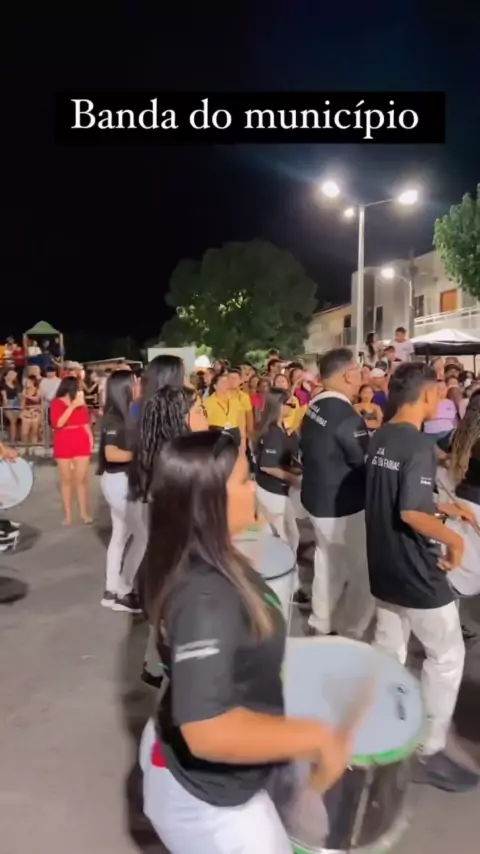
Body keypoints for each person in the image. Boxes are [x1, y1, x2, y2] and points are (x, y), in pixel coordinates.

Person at [139, 430, 358, 854]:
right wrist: (316, 737)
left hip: (207, 768)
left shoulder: (198, 555)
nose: (254, 486)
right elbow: (207, 732)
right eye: (243, 480)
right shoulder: (206, 599)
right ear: (208, 502)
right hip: (212, 805)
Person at [365, 362, 479, 792]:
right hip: (416, 570)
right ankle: (428, 748)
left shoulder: (382, 436)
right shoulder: (417, 444)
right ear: (427, 395)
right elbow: (411, 511)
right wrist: (455, 541)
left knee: (389, 648)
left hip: (383, 564)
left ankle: (380, 723)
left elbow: (403, 495)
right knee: (446, 656)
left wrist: (445, 507)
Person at [300, 348, 373, 638]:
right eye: (358, 372)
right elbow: (364, 463)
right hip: (343, 507)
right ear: (348, 375)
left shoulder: (315, 405)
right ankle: (350, 632)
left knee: (328, 563)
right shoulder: (346, 417)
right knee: (365, 573)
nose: (362, 379)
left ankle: (321, 622)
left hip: (316, 500)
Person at [98, 370, 146, 613]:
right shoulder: (114, 418)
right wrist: (142, 454)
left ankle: (111, 590)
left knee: (121, 535)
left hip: (120, 481)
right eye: (135, 383)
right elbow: (111, 454)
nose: (138, 386)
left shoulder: (125, 413)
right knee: (143, 535)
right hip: (119, 482)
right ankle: (124, 591)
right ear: (125, 388)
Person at [255, 388, 301, 553]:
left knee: (280, 535)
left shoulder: (279, 429)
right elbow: (267, 465)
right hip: (272, 492)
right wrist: (293, 479)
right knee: (287, 538)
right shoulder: (274, 432)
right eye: (290, 404)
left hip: (274, 490)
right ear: (279, 406)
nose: (293, 408)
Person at [50, 377, 93, 525]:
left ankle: (84, 513)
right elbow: (58, 423)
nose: (81, 390)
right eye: (78, 387)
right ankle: (68, 516)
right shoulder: (56, 403)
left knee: (81, 479)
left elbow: (86, 424)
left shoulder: (82, 404)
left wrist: (90, 441)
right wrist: (73, 406)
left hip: (81, 440)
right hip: (63, 441)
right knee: (66, 480)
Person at [205, 372, 244, 446]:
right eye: (223, 382)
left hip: (234, 433)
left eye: (227, 382)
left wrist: (243, 441)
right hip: (216, 434)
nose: (227, 384)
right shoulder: (208, 403)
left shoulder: (235, 400)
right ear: (215, 386)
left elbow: (241, 422)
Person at [423, 379, 458, 444]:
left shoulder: (450, 403)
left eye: (444, 388)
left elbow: (455, 419)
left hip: (447, 432)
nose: (442, 391)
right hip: (430, 433)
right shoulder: (426, 402)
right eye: (439, 389)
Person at [20, 376, 42, 448]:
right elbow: (22, 404)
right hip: (27, 413)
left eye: (28, 381)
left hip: (36, 413)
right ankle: (26, 448)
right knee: (25, 432)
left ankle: (33, 448)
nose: (26, 383)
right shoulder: (24, 391)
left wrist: (26, 396)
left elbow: (37, 400)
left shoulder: (38, 390)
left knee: (34, 432)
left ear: (33, 382)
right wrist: (23, 412)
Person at [1, 369, 21, 443]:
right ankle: (13, 441)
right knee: (13, 420)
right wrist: (8, 406)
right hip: (7, 405)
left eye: (14, 375)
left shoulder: (17, 386)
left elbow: (19, 397)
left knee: (16, 420)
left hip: (16, 404)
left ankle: (15, 438)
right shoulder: (3, 386)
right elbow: (4, 398)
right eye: (11, 374)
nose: (12, 376)